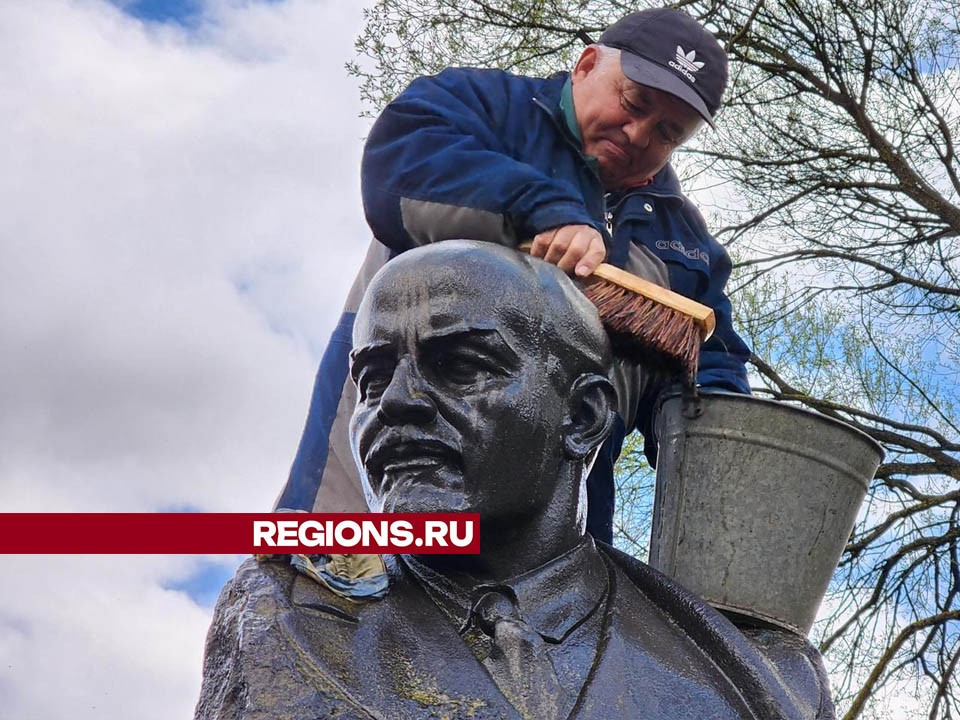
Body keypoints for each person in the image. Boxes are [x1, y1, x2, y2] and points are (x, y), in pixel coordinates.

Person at [197, 242, 829, 720]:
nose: (394, 403)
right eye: (373, 377)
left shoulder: (758, 676)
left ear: (583, 417)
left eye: (463, 365)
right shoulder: (281, 615)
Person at [276, 8, 752, 543]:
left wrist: (723, 436)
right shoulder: (476, 109)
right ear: (587, 64)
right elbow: (398, 169)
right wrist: (545, 208)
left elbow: (711, 364)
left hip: (551, 539)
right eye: (634, 102)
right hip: (370, 481)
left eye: (667, 132)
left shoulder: (684, 240)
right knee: (320, 610)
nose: (639, 133)